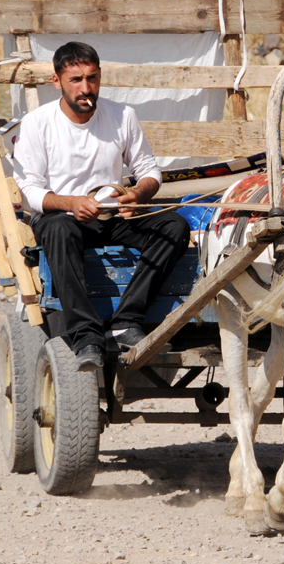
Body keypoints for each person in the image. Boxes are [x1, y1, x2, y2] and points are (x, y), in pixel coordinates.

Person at [13, 42, 190, 371]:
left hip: (110, 217)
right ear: (57, 81)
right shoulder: (37, 123)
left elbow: (149, 171)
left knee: (175, 227)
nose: (85, 88)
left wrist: (138, 194)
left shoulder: (123, 116)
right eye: (76, 79)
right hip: (62, 219)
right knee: (59, 229)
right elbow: (30, 191)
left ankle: (126, 321)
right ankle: (86, 335)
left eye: (92, 78)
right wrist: (71, 203)